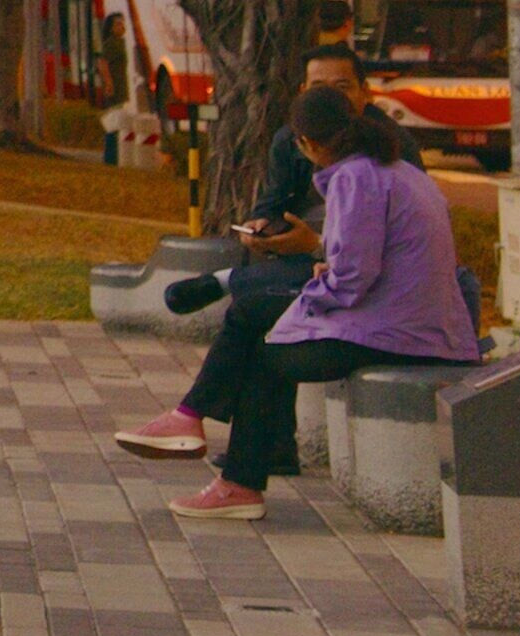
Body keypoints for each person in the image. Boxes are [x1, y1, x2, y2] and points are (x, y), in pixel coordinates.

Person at [164, 79, 482, 520]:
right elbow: (369, 261)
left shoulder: (355, 178)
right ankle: (215, 452)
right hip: (417, 322)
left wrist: (311, 298)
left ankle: (210, 444)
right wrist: (323, 276)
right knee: (260, 329)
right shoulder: (393, 169)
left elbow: (353, 279)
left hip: (398, 331)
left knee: (257, 327)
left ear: (306, 143)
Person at [114, 43, 363, 460]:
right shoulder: (302, 146)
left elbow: (363, 264)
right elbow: (275, 198)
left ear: (365, 93)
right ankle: (251, 457)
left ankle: (213, 432)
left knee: (258, 312)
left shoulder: (370, 166)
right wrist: (262, 225)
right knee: (264, 315)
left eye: (343, 86)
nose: (331, 98)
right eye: (320, 87)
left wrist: (317, 246)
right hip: (318, 267)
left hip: (377, 303)